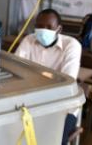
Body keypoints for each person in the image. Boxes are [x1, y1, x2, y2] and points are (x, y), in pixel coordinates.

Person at [15, 8, 82, 145]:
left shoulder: (71, 46)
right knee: (13, 132)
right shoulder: (29, 40)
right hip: (30, 102)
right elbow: (16, 71)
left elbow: (66, 83)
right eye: (39, 27)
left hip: (62, 105)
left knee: (54, 137)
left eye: (49, 27)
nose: (43, 30)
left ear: (59, 29)